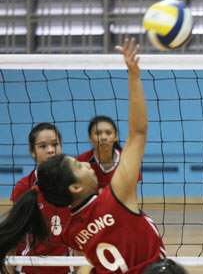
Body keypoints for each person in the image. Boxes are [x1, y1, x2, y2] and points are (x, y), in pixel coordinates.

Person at [0, 38, 166, 274]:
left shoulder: (72, 233)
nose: (88, 166)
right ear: (75, 188)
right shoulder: (116, 196)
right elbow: (138, 132)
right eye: (80, 167)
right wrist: (133, 76)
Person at [9, 123, 75, 274]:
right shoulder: (24, 187)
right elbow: (14, 233)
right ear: (33, 151)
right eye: (43, 146)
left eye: (55, 144)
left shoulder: (74, 185)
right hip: (28, 268)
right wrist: (7, 267)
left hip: (65, 268)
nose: (51, 150)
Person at [76, 115, 142, 192]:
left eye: (108, 133)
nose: (103, 137)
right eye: (98, 133)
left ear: (115, 137)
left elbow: (130, 195)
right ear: (90, 137)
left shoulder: (128, 161)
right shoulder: (80, 161)